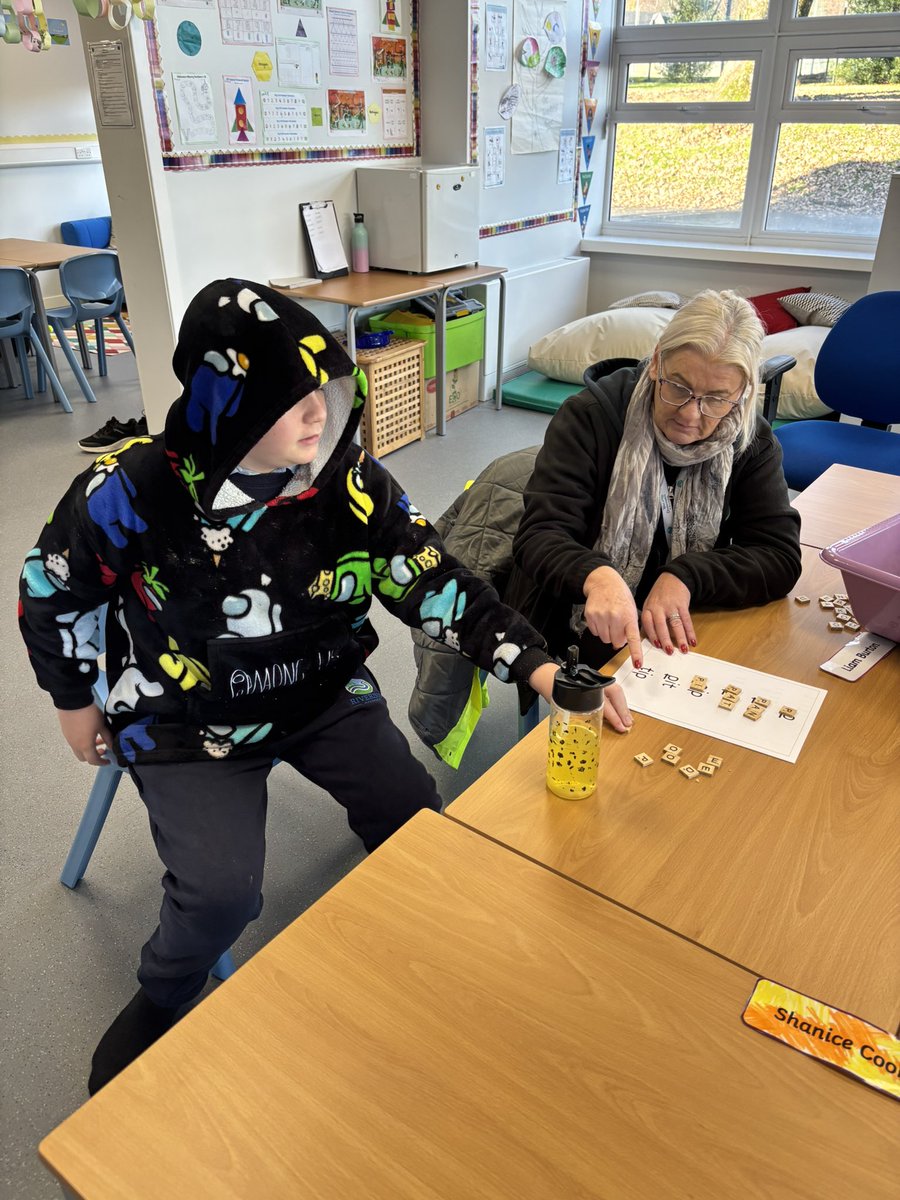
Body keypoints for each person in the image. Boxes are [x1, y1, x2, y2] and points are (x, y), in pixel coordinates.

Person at [21, 279, 635, 1095]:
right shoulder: (131, 489)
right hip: (186, 719)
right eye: (294, 397)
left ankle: (412, 946)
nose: (321, 413)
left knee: (416, 814)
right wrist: (72, 700)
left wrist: (539, 667)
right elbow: (53, 589)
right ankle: (163, 995)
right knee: (221, 898)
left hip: (321, 693)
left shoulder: (349, 482)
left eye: (328, 391)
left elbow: (432, 581)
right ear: (227, 400)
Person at [505, 289, 802, 673]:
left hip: (687, 614)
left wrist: (688, 575)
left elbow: (778, 556)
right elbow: (540, 536)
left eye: (716, 399)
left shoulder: (750, 440)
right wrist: (596, 576)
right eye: (678, 387)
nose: (691, 415)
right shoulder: (589, 419)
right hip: (581, 617)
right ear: (657, 361)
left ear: (742, 394)